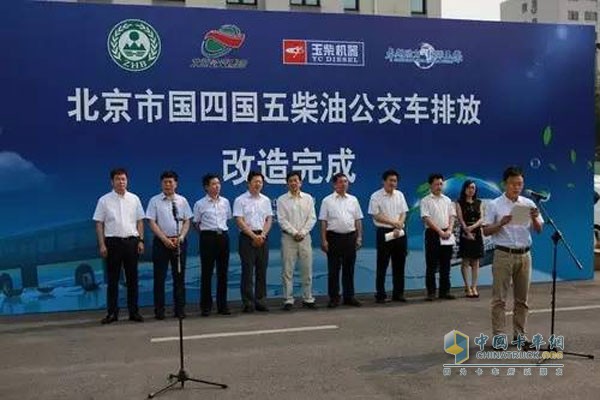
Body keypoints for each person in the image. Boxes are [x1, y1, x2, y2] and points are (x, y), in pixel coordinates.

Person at [483, 166, 543, 343]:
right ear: (505, 184)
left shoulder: (528, 204)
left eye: (520, 184)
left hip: (524, 255)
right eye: (513, 184)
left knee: (522, 299)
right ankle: (499, 337)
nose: (517, 188)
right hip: (503, 254)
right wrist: (501, 223)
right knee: (499, 299)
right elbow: (486, 231)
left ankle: (520, 335)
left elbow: (539, 229)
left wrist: (534, 218)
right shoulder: (494, 205)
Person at [93, 168, 145, 324]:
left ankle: (134, 312)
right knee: (113, 280)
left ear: (127, 181)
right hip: (113, 243)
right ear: (112, 181)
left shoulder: (134, 199)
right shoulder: (104, 200)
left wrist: (141, 240)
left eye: (123, 179)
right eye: (118, 179)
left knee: (132, 280)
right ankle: (112, 313)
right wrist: (102, 244)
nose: (121, 182)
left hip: (131, 242)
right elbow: (99, 223)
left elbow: (140, 221)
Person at [146, 170, 192, 320]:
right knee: (159, 278)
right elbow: (151, 222)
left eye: (170, 182)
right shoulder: (154, 201)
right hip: (161, 243)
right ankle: (159, 310)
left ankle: (180, 309)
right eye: (165, 182)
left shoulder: (182, 201)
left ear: (176, 184)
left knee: (179, 277)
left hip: (179, 242)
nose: (167, 185)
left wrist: (182, 236)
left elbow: (187, 221)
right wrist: (164, 239)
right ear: (161, 184)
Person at [319, 172, 364, 308]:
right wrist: (324, 240)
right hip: (333, 237)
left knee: (349, 269)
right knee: (333, 270)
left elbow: (358, 220)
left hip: (350, 237)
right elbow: (323, 222)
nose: (343, 184)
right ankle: (334, 298)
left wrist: (359, 237)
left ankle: (349, 297)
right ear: (334, 184)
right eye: (340, 182)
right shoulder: (327, 200)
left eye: (345, 181)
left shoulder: (353, 200)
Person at [233, 171, 273, 313]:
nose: (258, 184)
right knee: (247, 271)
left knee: (262, 270)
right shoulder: (240, 200)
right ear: (248, 183)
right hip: (247, 237)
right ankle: (248, 303)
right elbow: (239, 220)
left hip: (262, 237)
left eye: (260, 182)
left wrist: (262, 235)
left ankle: (261, 301)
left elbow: (269, 219)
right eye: (255, 181)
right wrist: (253, 236)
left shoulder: (266, 200)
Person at [277, 171, 317, 311]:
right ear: (287, 183)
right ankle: (288, 299)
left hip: (305, 238)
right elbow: (282, 220)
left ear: (300, 182)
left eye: (296, 180)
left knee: (307, 269)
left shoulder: (308, 199)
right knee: (288, 270)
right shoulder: (281, 200)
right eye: (291, 181)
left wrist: (303, 232)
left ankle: (308, 298)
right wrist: (294, 232)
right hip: (288, 238)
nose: (293, 183)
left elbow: (312, 218)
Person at [193, 174, 232, 316]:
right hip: (207, 238)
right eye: (213, 184)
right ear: (206, 187)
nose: (217, 186)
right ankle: (206, 306)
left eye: (218, 183)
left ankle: (223, 305)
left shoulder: (225, 202)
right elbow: (196, 223)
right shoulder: (199, 204)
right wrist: (206, 234)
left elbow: (228, 218)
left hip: (223, 237)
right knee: (207, 273)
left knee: (223, 273)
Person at [368, 169, 409, 303]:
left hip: (400, 233)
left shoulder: (400, 195)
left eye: (395, 181)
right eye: (390, 180)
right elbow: (376, 215)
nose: (393, 183)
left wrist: (399, 224)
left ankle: (398, 294)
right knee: (382, 265)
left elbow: (404, 212)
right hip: (384, 233)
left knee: (399, 265)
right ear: (384, 181)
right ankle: (380, 294)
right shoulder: (376, 196)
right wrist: (394, 223)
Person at [420, 173, 457, 301]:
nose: (439, 186)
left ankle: (445, 291)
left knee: (446, 264)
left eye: (441, 184)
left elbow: (452, 216)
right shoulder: (425, 200)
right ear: (431, 185)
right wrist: (440, 231)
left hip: (447, 233)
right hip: (433, 234)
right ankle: (431, 292)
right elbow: (426, 218)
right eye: (436, 184)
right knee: (431, 264)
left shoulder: (447, 200)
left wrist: (450, 230)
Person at [455, 180, 484, 299]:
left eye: (473, 188)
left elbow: (482, 218)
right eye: (469, 187)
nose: (471, 190)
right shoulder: (459, 203)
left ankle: (474, 286)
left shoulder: (479, 202)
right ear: (465, 189)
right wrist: (467, 229)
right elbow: (460, 219)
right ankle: (467, 287)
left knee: (476, 261)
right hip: (465, 232)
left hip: (476, 231)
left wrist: (473, 227)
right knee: (465, 261)